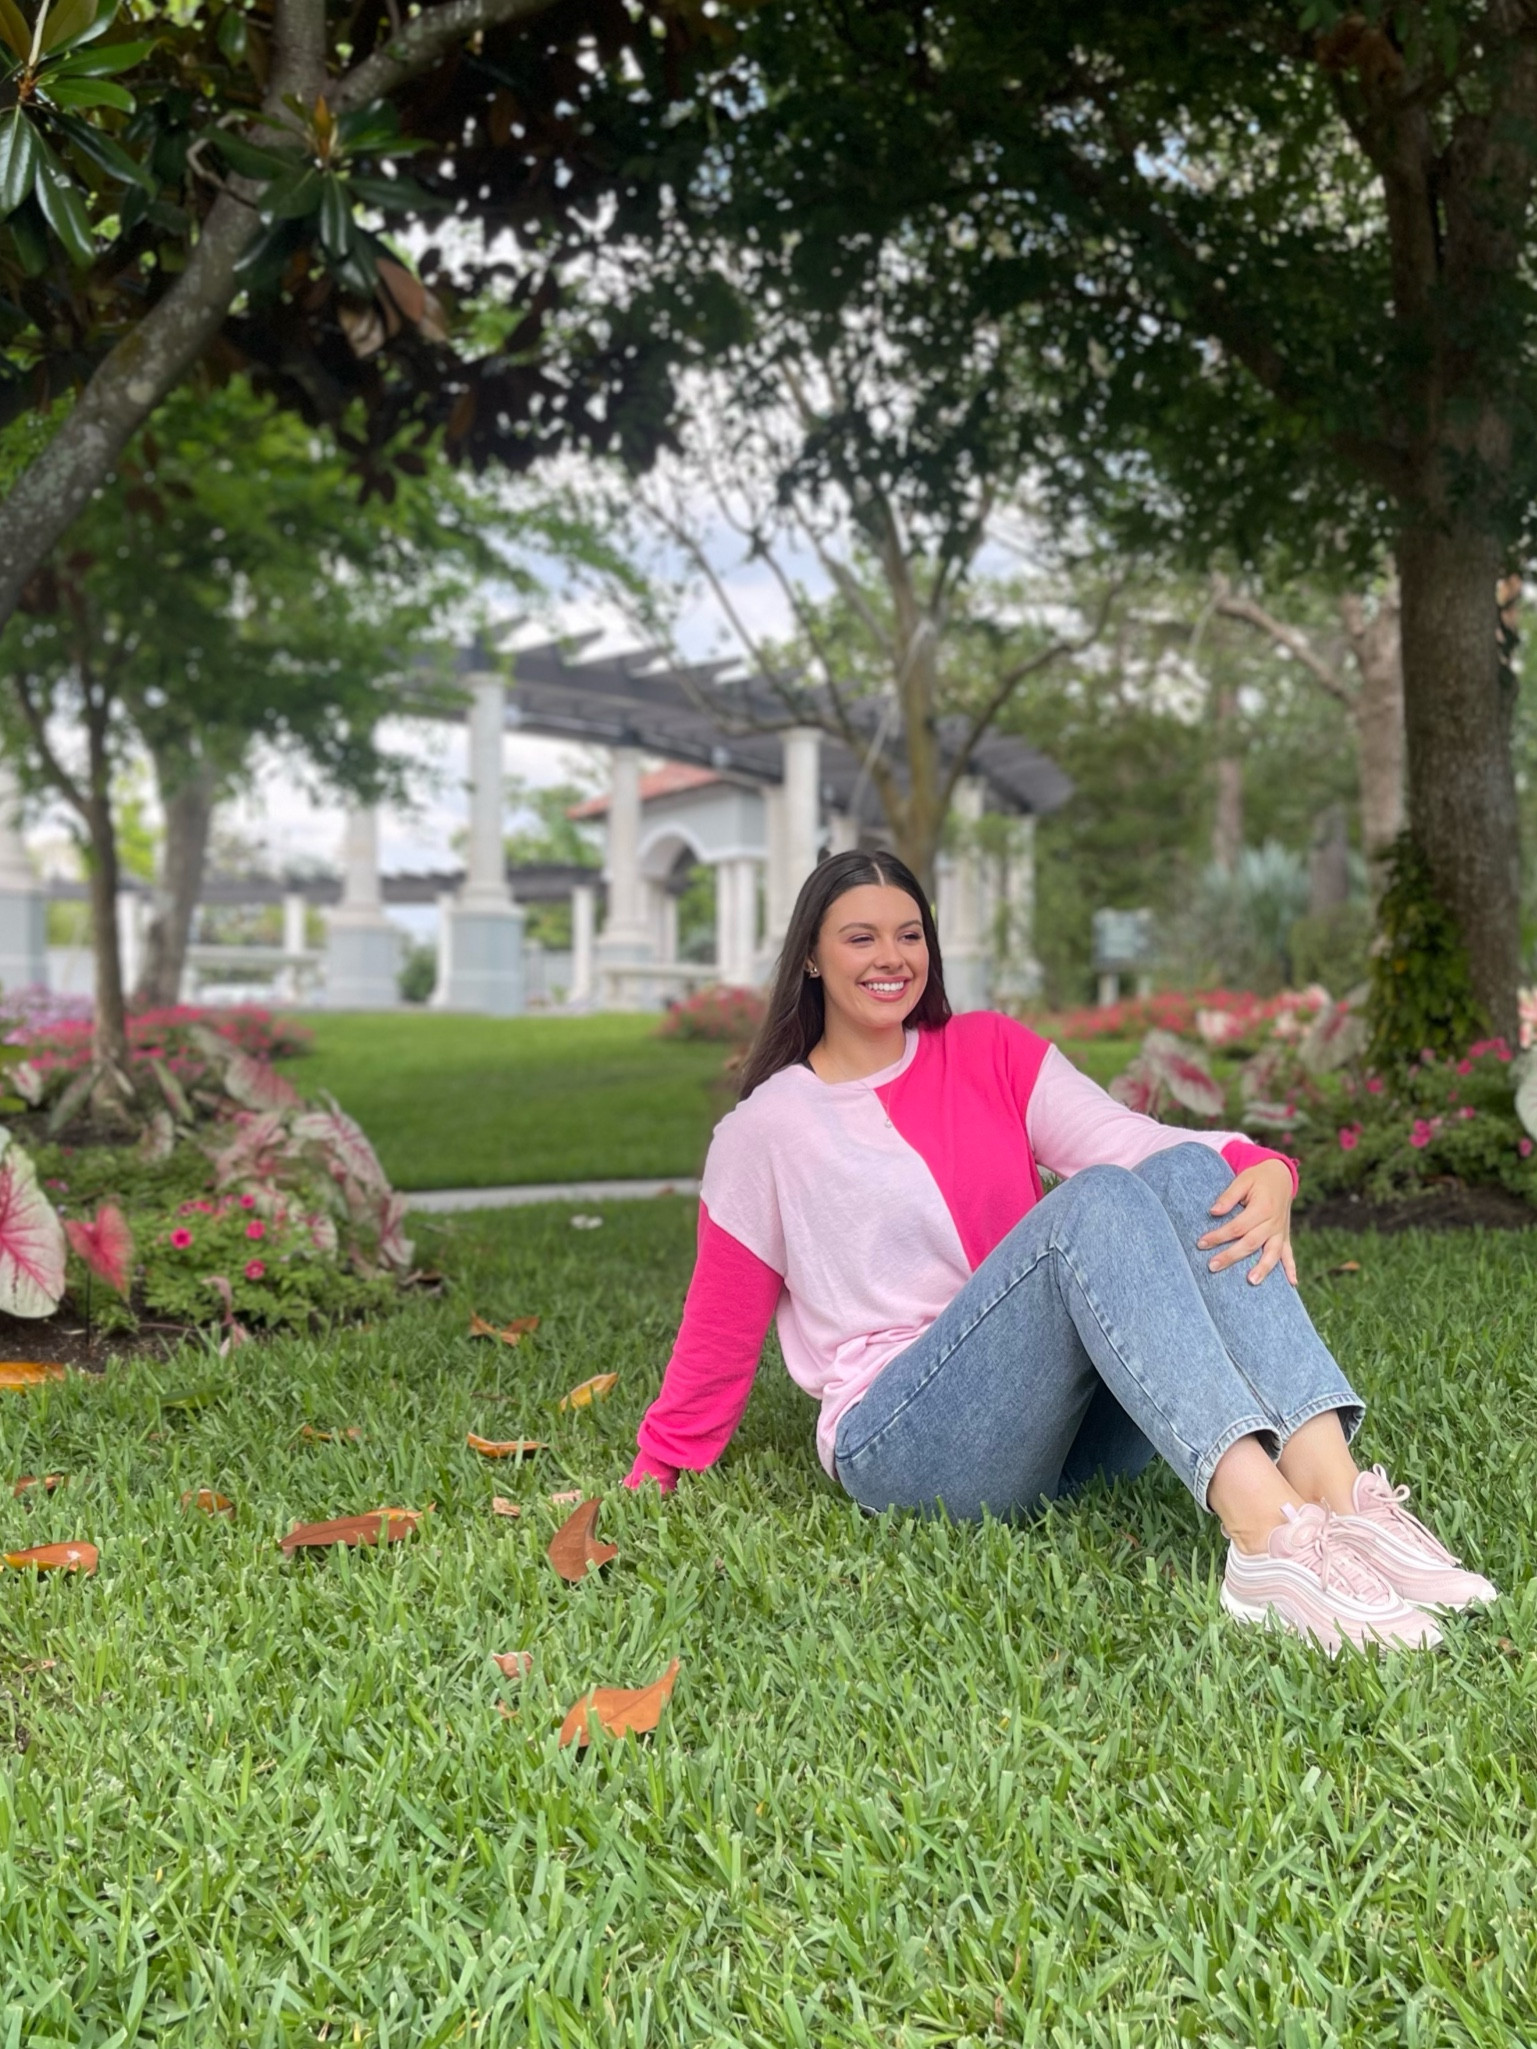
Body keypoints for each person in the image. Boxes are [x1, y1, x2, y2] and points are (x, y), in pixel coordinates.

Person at [625, 850, 1497, 1651]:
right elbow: (717, 1330)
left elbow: (1131, 1137)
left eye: (908, 934)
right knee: (1095, 1203)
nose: (890, 956)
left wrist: (1261, 1167)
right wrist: (657, 1467)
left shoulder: (987, 1050)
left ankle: (1341, 1501)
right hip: (906, 1438)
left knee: (1185, 1165)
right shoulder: (766, 1129)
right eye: (859, 937)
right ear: (811, 957)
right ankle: (1265, 1537)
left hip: (1060, 1429)